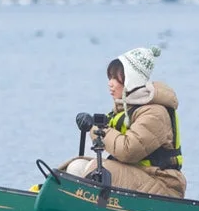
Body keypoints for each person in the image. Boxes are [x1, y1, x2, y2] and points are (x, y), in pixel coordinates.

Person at [61, 45, 185, 197]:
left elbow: (128, 150)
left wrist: (98, 131)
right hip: (138, 175)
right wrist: (91, 124)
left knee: (96, 168)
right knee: (76, 166)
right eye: (109, 78)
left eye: (115, 78)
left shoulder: (155, 113)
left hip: (162, 184)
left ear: (131, 81)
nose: (110, 83)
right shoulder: (126, 108)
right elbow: (110, 134)